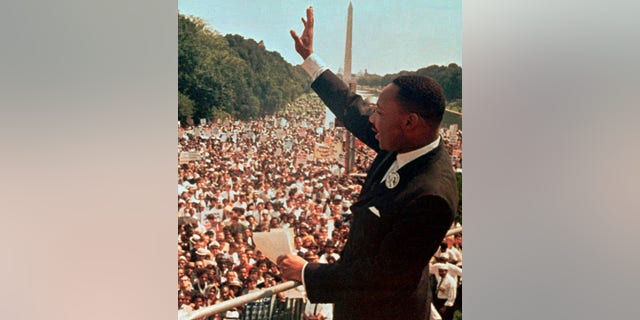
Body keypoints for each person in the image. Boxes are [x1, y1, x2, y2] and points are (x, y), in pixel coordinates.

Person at [277, 7, 458, 320]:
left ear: (410, 122)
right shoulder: (405, 141)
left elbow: (381, 279)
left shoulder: (431, 197)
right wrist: (310, 58)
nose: (371, 119)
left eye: (380, 114)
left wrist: (307, 272)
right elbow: (351, 108)